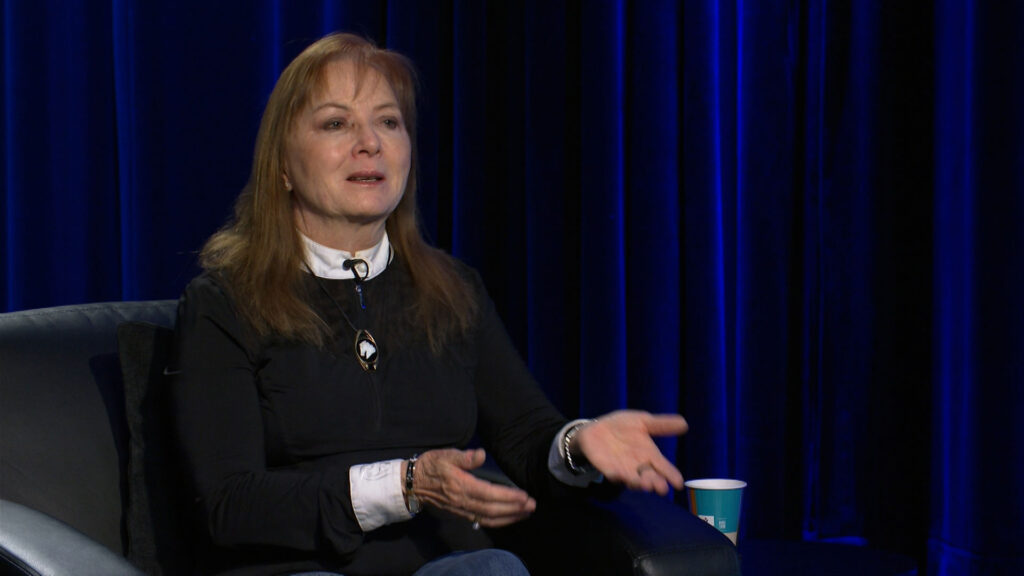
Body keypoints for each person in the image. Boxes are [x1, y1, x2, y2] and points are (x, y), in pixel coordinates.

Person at [171, 32, 689, 576]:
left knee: (492, 570)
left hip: (442, 568)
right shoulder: (225, 302)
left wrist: (577, 444)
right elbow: (230, 505)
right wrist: (405, 484)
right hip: (296, 570)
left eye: (388, 122)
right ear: (281, 165)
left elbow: (526, 437)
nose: (369, 142)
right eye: (336, 123)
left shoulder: (452, 291)